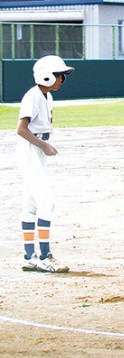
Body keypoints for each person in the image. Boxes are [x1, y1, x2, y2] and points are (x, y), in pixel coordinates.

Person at [16, 55, 74, 273]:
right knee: (47, 203)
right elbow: (21, 130)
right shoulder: (33, 96)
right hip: (31, 151)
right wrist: (44, 145)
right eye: (60, 76)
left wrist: (43, 145)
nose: (61, 80)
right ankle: (44, 256)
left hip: (36, 150)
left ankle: (29, 256)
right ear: (47, 76)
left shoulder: (46, 96)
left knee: (30, 205)